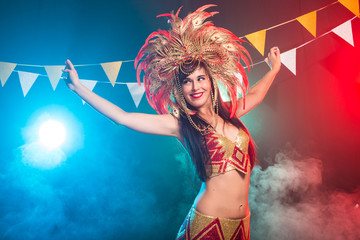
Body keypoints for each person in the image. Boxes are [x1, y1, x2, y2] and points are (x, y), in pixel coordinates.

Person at [63, 4, 281, 240]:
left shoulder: (230, 112)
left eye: (200, 79)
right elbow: (123, 118)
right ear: (180, 88)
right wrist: (79, 88)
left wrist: (274, 69)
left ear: (211, 81)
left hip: (241, 227)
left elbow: (256, 95)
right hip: (207, 225)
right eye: (187, 81)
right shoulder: (182, 124)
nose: (196, 87)